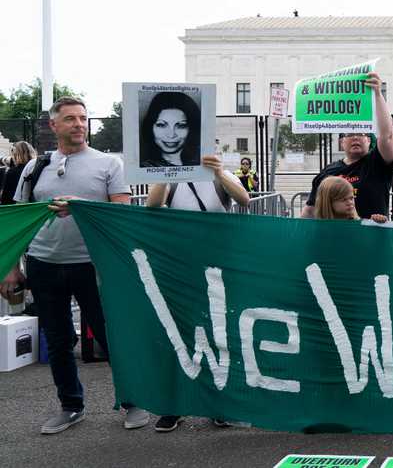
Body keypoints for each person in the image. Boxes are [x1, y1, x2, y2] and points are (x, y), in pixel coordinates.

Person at [0, 97, 150, 434]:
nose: (79, 124)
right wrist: (11, 267)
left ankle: (133, 401)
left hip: (93, 265)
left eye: (82, 118)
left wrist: (83, 206)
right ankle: (71, 406)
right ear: (53, 125)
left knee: (112, 337)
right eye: (70, 119)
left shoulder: (108, 164)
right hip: (43, 264)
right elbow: (20, 219)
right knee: (57, 341)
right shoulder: (34, 167)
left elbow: (122, 213)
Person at [144, 154, 250, 432]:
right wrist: (167, 172)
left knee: (219, 334)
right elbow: (153, 203)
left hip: (217, 266)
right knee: (178, 334)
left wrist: (219, 173)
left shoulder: (221, 176)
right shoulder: (173, 177)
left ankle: (220, 404)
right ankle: (174, 405)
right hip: (180, 267)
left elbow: (244, 199)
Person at [300, 72, 393, 220]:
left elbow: (387, 136)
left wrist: (378, 94)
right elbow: (310, 211)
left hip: (371, 233)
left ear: (369, 141)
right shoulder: (327, 172)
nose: (356, 137)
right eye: (350, 134)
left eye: (361, 133)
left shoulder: (377, 164)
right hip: (337, 234)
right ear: (342, 142)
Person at [139, 91, 202, 168]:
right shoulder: (143, 169)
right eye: (161, 125)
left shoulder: (203, 165)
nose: (171, 135)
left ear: (192, 128)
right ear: (150, 128)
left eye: (181, 126)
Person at [311, 176, 387, 222]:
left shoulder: (357, 224)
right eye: (343, 199)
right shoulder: (317, 229)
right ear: (328, 202)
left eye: (351, 198)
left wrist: (377, 224)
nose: (350, 202)